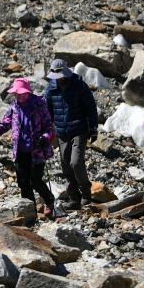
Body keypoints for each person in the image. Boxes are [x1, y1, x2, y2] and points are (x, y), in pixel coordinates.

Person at [0, 78, 56, 218]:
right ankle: (30, 212)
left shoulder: (39, 105)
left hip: (37, 150)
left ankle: (49, 201)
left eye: (21, 93)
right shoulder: (14, 107)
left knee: (35, 181)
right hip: (20, 151)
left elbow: (49, 127)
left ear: (28, 92)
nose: (19, 96)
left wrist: (45, 138)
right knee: (23, 182)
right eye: (16, 93)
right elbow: (4, 125)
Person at [44, 58, 98, 209]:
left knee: (76, 162)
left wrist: (93, 128)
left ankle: (86, 194)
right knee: (66, 165)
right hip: (62, 132)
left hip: (79, 130)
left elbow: (91, 107)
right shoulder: (50, 89)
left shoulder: (79, 85)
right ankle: (74, 198)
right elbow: (47, 113)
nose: (58, 79)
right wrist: (45, 131)